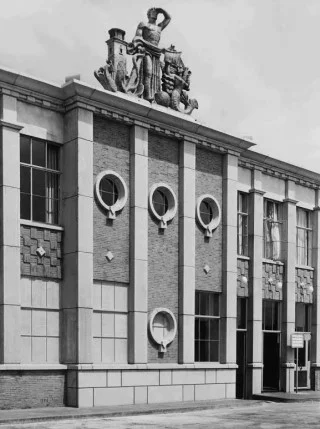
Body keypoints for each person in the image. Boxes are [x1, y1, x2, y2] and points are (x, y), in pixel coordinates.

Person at [129, 8, 171, 100]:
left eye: (156, 13)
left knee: (154, 74)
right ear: (148, 14)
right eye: (152, 12)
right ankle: (147, 94)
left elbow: (168, 18)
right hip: (146, 51)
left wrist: (162, 10)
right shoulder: (143, 24)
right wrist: (141, 46)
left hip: (156, 54)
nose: (154, 14)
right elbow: (137, 37)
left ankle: (154, 94)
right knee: (148, 71)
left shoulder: (159, 27)